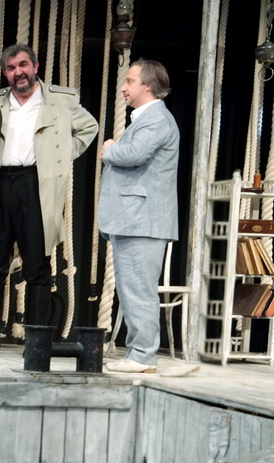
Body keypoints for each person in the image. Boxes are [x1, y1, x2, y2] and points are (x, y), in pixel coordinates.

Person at [0, 43, 98, 355]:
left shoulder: (60, 101)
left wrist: (59, 156)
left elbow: (88, 128)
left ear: (35, 67)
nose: (18, 72)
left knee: (37, 264)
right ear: (5, 73)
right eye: (11, 68)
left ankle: (36, 343)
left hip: (35, 184)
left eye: (23, 65)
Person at [98, 59, 180, 374]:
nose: (123, 87)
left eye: (130, 81)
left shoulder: (156, 118)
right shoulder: (147, 119)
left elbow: (134, 154)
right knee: (132, 288)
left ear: (147, 85)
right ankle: (138, 353)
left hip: (142, 221)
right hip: (134, 219)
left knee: (138, 289)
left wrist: (109, 149)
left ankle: (143, 356)